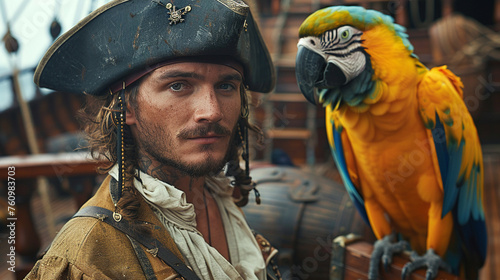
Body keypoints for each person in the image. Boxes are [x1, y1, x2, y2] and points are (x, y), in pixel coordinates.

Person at [25, 0, 278, 279]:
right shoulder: (85, 255)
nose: (212, 111)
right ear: (126, 107)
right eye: (178, 85)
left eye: (226, 86)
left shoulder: (222, 199)